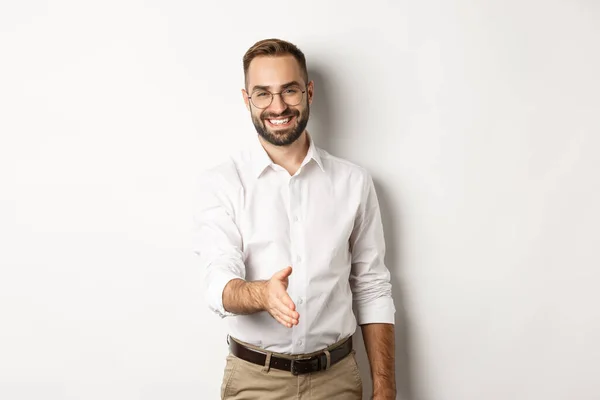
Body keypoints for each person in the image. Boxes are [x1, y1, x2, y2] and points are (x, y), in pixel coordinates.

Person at [194, 38, 396, 400]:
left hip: (337, 380)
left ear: (309, 92)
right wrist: (262, 295)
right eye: (263, 94)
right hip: (255, 381)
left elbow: (372, 284)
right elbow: (218, 282)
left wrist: (385, 387)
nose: (278, 106)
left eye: (289, 90)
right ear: (247, 100)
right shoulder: (223, 182)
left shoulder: (354, 182)